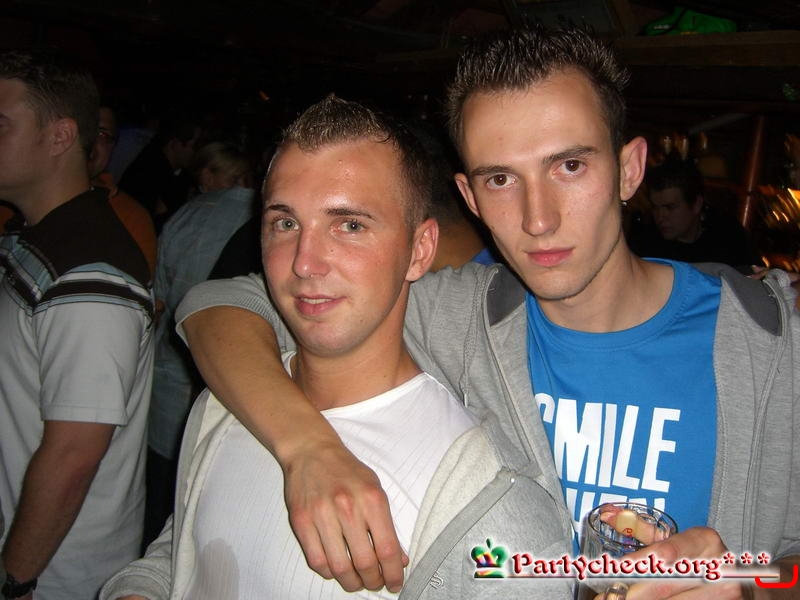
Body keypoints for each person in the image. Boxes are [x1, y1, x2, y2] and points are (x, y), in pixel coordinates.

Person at [175, 26, 799, 598]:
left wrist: (750, 587)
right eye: (500, 179)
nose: (538, 218)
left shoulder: (769, 342)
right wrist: (308, 447)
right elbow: (220, 305)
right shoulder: (455, 315)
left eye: (570, 165)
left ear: (629, 170)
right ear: (469, 196)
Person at [100, 96, 572, 600]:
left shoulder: (485, 507)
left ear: (419, 250)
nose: (305, 263)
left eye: (349, 225)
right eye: (286, 223)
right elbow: (183, 553)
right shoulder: (226, 400)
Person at [0, 49, 153, 599]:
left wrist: (14, 580)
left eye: (1, 124)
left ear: (61, 136)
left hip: (53, 574)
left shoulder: (91, 274)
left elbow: (73, 454)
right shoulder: (31, 236)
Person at [143, 141, 257, 547]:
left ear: (210, 175)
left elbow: (157, 298)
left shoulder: (185, 216)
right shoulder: (263, 219)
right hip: (237, 397)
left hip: (173, 382)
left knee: (163, 503)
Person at [630, 157, 761, 269]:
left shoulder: (728, 237)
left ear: (696, 204)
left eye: (670, 207)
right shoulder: (646, 243)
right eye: (655, 207)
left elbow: (755, 277)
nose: (660, 216)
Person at [89, 104, 158, 279]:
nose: (88, 139)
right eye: (84, 127)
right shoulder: (25, 198)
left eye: (103, 134)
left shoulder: (131, 217)